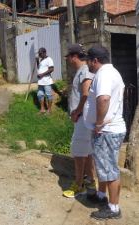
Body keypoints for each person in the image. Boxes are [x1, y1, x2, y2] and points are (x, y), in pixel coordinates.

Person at [83, 46, 126, 220]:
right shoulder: (111, 72)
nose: (87, 64)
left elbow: (104, 98)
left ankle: (114, 208)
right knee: (104, 167)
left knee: (109, 170)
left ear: (95, 60)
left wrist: (99, 122)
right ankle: (101, 197)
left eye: (88, 60)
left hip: (107, 130)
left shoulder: (104, 74)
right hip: (108, 130)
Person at [62, 44, 96, 198]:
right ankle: (90, 180)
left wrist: (77, 112)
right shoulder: (83, 71)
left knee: (78, 153)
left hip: (82, 118)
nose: (68, 60)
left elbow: (85, 94)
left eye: (68, 57)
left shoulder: (85, 71)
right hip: (84, 118)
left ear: (74, 56)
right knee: (87, 152)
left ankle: (79, 185)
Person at [36, 47, 54, 114]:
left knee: (49, 95)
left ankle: (49, 110)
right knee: (40, 95)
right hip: (40, 82)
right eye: (39, 54)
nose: (39, 55)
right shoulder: (41, 60)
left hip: (47, 81)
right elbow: (39, 68)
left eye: (40, 53)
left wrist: (42, 75)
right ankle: (42, 109)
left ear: (44, 52)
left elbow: (51, 69)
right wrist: (37, 61)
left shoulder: (49, 59)